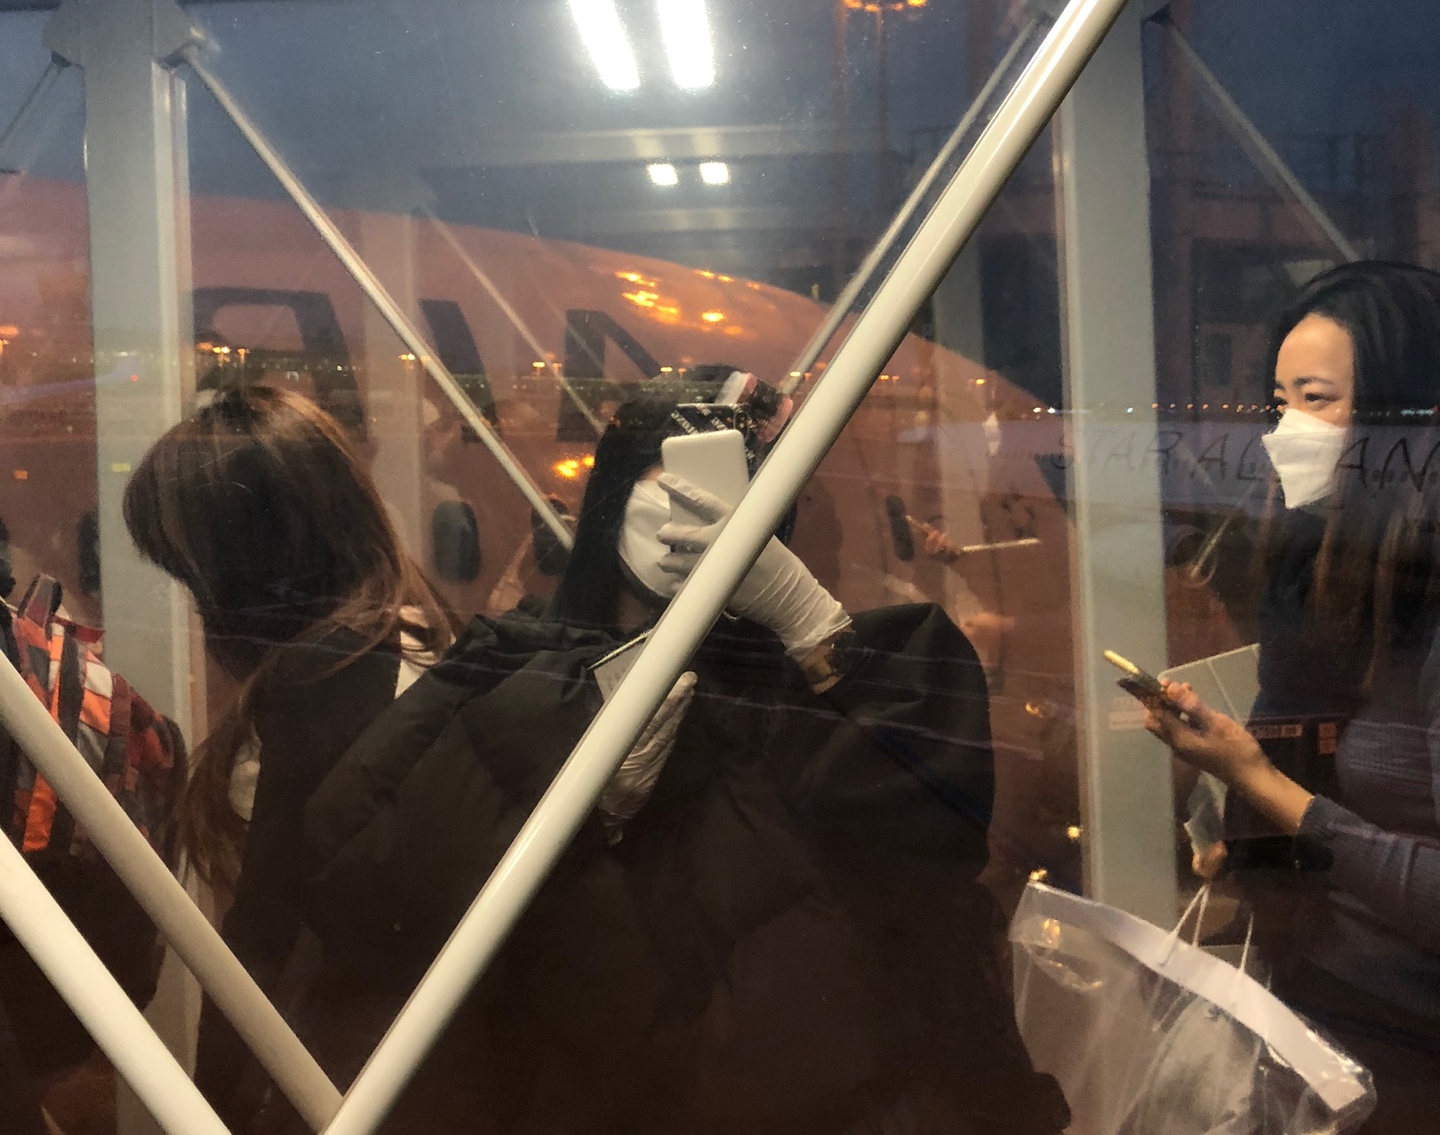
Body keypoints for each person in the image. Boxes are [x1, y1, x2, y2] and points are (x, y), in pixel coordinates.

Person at [293, 370, 1069, 1134]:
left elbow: (929, 852)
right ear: (615, 492)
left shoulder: (823, 673)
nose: (697, 508)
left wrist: (809, 623)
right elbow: (364, 872)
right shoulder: (512, 663)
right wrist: (561, 791)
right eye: (667, 477)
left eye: (742, 490)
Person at [1143, 261, 1440, 1133]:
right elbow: (1302, 734)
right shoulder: (1329, 565)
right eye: (1279, 402)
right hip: (1325, 1001)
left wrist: (1259, 784)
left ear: (1407, 417)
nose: (1286, 431)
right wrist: (1236, 823)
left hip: (1415, 1040)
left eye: (1317, 399)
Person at [120, 385, 456, 1126]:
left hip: (330, 1074)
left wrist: (210, 1108)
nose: (197, 599)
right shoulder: (407, 640)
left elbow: (266, 941)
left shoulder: (328, 678)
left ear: (249, 562)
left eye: (197, 568)